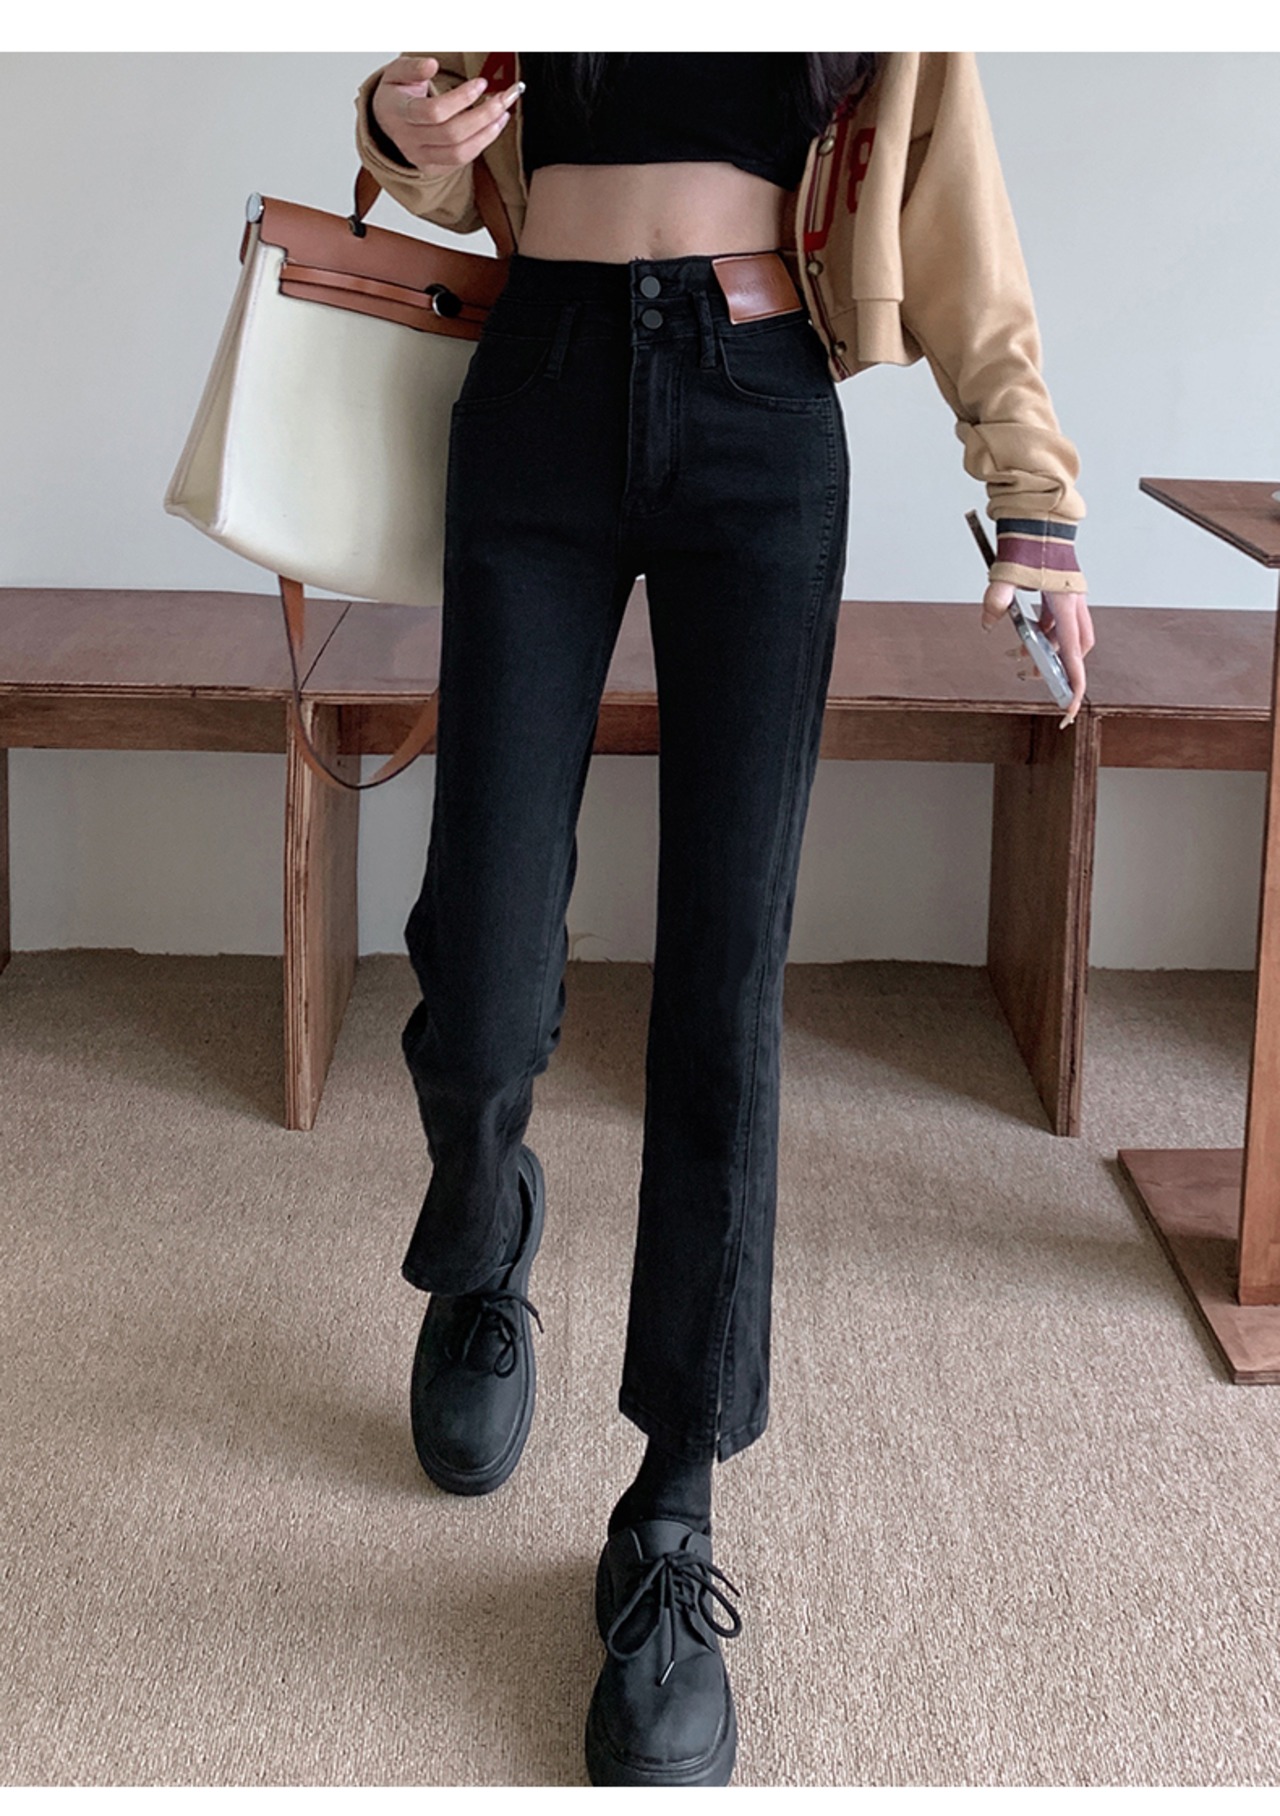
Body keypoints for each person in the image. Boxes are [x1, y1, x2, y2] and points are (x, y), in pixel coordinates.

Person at [353, 49, 1095, 1788]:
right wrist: (394, 129)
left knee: (721, 985)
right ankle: (484, 1232)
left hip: (760, 405)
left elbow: (959, 214)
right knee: (483, 958)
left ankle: (672, 1504)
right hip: (537, 385)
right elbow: (430, 140)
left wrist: (1035, 496)